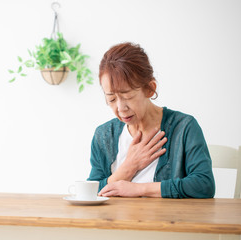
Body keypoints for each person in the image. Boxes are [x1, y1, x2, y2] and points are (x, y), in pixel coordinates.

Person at [87, 42, 215, 198]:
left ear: (150, 89)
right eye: (112, 99)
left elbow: (204, 185)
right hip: (114, 222)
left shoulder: (184, 128)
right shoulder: (104, 135)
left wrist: (139, 189)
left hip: (165, 222)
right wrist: (127, 168)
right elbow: (89, 192)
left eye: (128, 97)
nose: (121, 108)